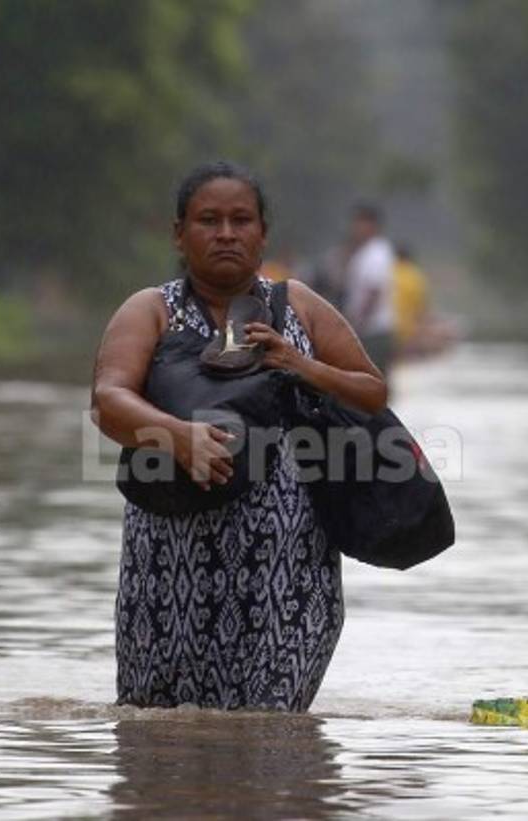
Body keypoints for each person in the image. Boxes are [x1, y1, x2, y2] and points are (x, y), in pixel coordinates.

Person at [91, 160, 387, 711]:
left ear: (262, 233)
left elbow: (371, 391)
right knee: (160, 745)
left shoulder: (299, 305)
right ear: (179, 234)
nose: (226, 233)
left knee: (274, 744)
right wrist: (176, 435)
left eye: (241, 219)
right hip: (168, 573)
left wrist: (299, 362)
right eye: (208, 220)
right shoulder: (150, 310)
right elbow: (107, 402)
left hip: (288, 575)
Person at [342, 202, 397, 377]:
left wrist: (357, 326)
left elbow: (374, 291)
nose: (356, 228)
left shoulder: (377, 253)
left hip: (373, 331)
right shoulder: (365, 252)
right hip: (368, 330)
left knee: (372, 381)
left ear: (373, 225)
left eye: (360, 223)